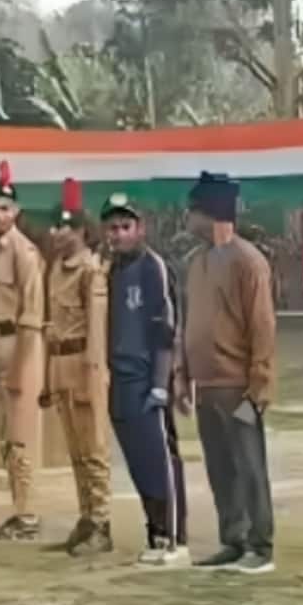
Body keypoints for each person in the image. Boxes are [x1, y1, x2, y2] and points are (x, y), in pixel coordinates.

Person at [181, 172, 278, 574]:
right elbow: (190, 323)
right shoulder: (196, 263)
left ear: (211, 213)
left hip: (238, 384)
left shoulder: (248, 261)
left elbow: (262, 327)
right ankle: (233, 538)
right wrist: (184, 376)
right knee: (220, 468)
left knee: (249, 466)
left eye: (192, 211)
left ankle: (261, 544)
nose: (187, 220)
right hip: (206, 383)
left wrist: (258, 387)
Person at [100, 195, 188, 567]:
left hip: (146, 381)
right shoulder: (113, 271)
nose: (118, 234)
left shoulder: (154, 268)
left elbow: (165, 330)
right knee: (137, 464)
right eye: (113, 228)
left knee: (160, 462)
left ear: (141, 229)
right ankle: (154, 533)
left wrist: (160, 382)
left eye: (125, 227)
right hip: (118, 381)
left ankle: (174, 539)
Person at [0, 160, 48, 541]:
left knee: (22, 433)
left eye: (4, 208)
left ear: (16, 212)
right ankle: (19, 510)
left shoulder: (26, 252)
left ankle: (29, 514)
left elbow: (32, 313)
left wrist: (21, 365)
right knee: (3, 434)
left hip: (20, 343)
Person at [41, 179, 114, 556]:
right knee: (74, 449)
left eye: (65, 226)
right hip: (60, 361)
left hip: (85, 362)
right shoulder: (55, 269)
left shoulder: (91, 271)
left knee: (94, 448)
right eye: (55, 226)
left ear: (83, 231)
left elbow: (97, 328)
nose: (58, 233)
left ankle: (101, 522)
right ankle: (85, 518)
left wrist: (93, 371)